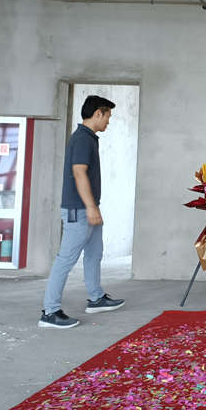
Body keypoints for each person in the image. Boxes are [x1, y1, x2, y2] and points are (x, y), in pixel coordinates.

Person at [39, 95, 125, 329]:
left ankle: (96, 298)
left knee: (94, 254)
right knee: (65, 260)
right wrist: (90, 207)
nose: (108, 121)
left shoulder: (88, 138)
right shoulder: (82, 139)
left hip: (88, 208)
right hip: (79, 210)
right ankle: (50, 311)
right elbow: (79, 172)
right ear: (98, 113)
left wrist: (93, 207)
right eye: (108, 116)